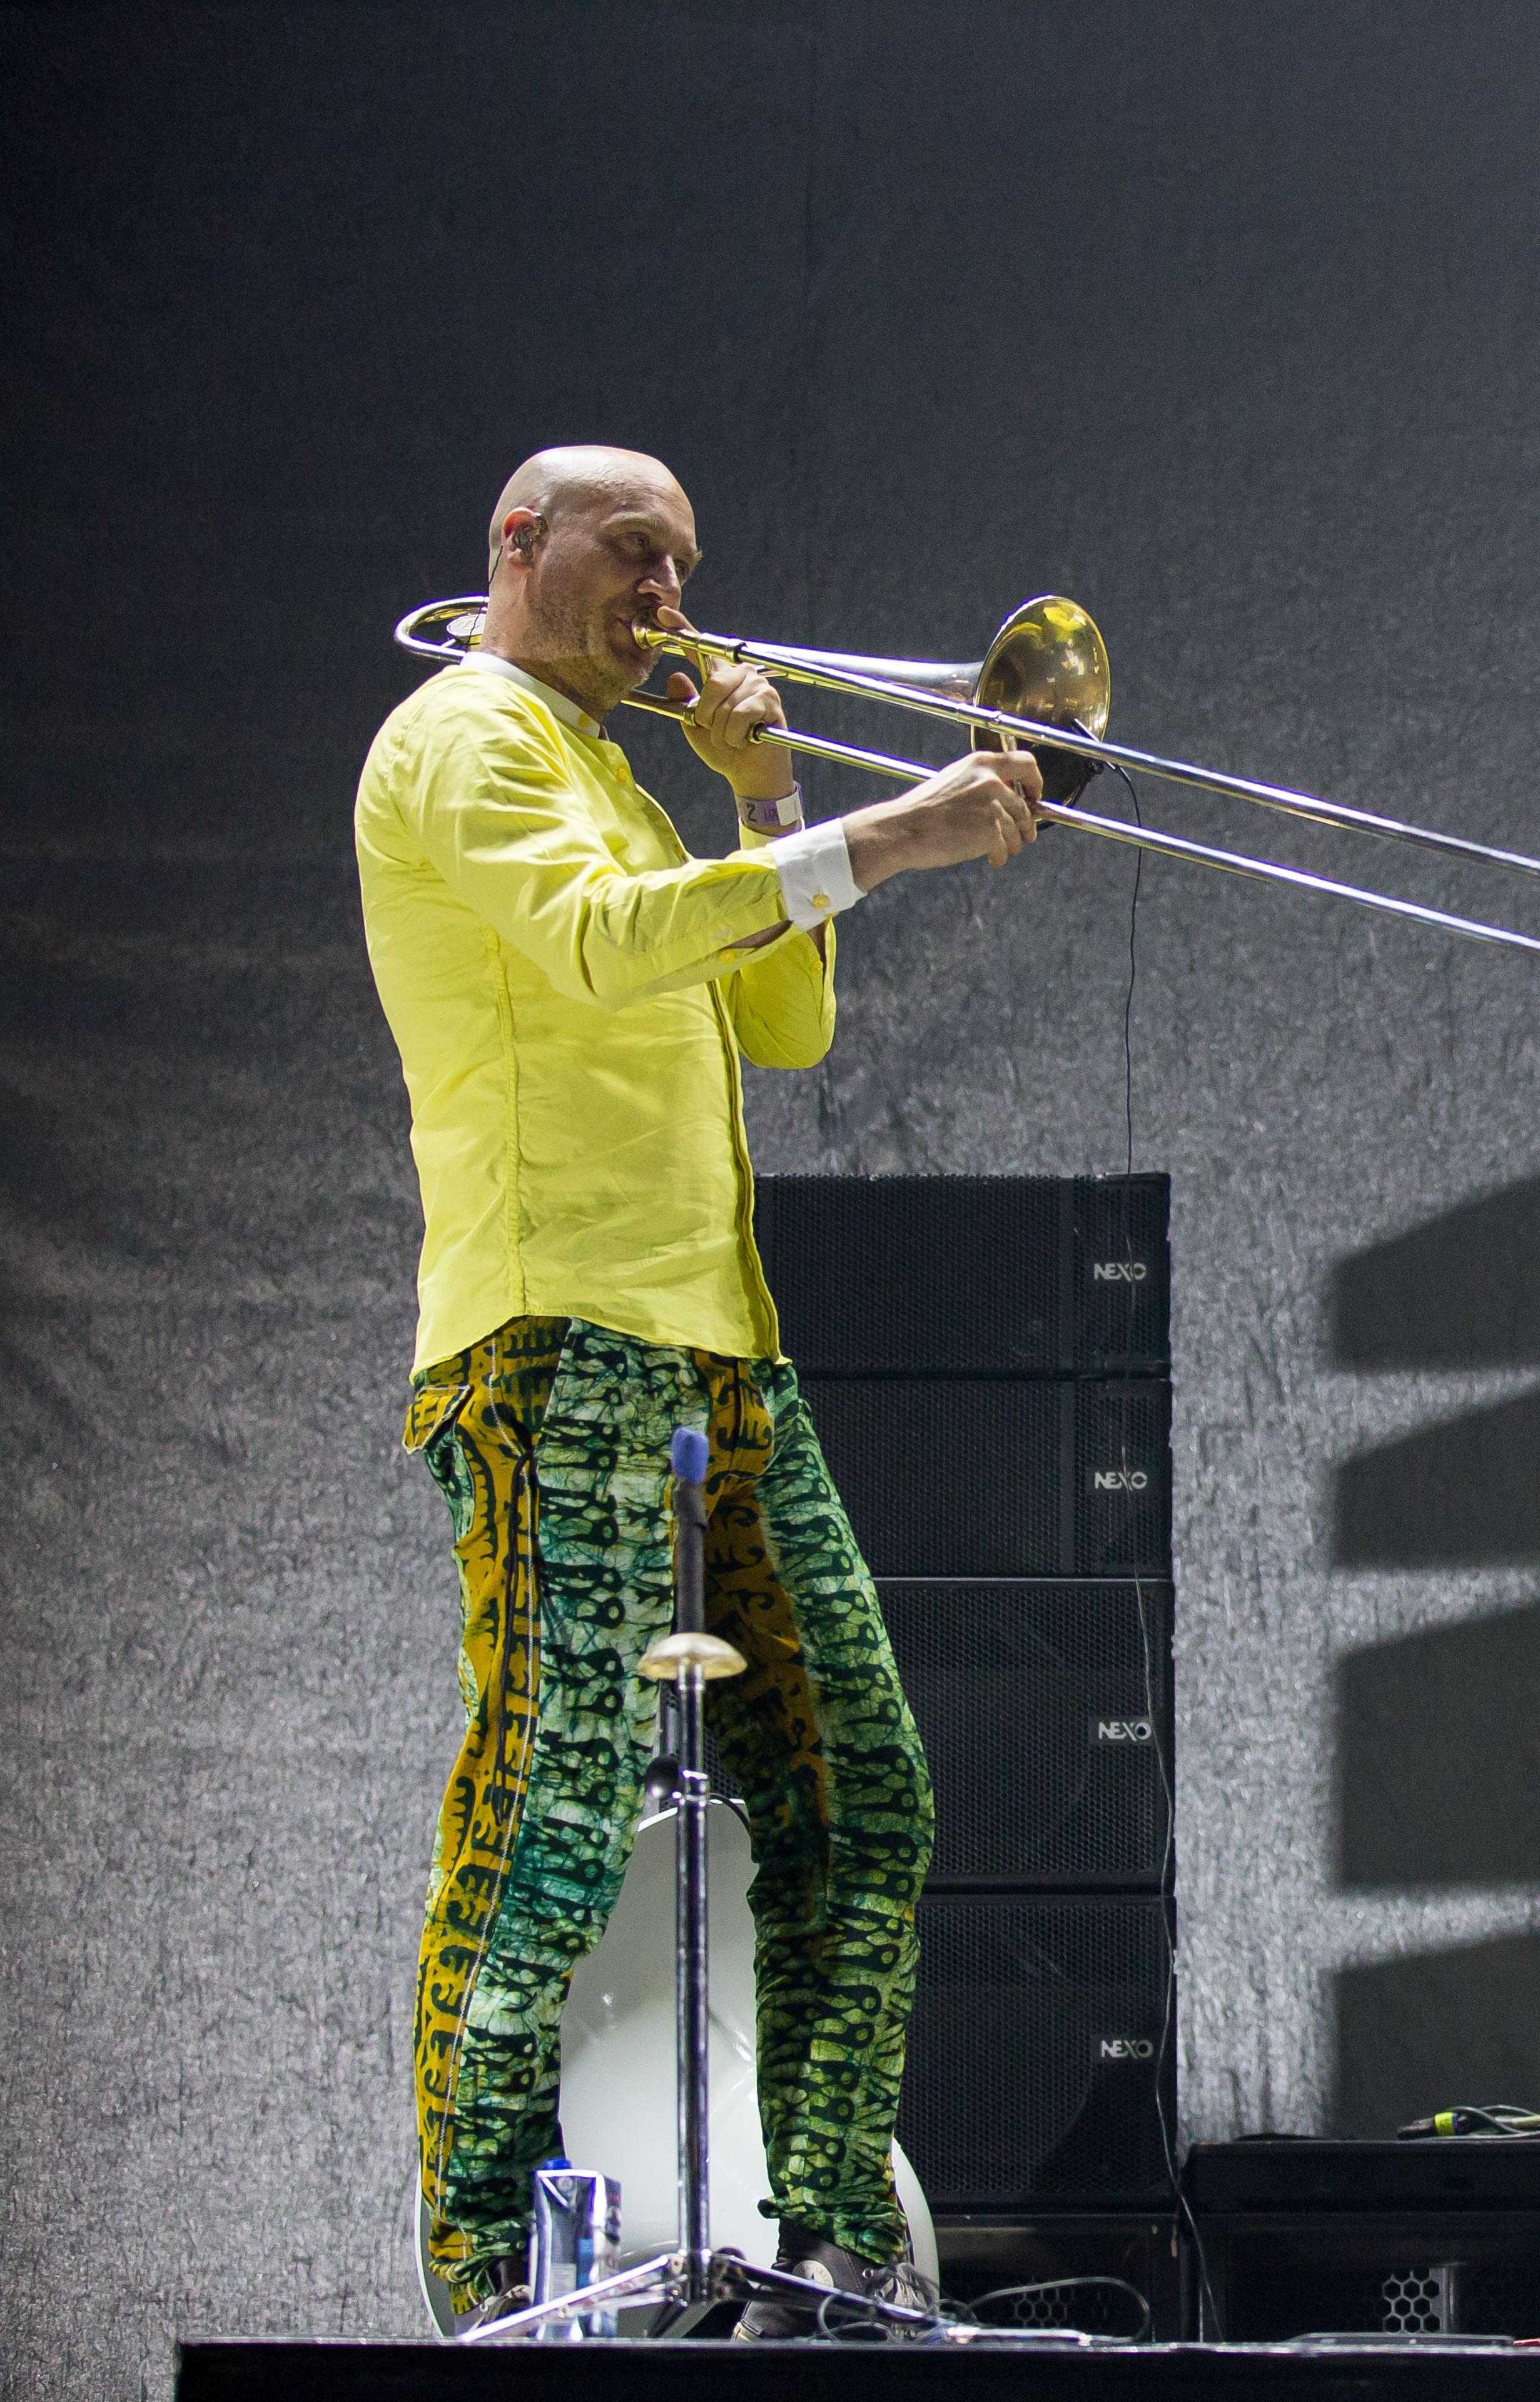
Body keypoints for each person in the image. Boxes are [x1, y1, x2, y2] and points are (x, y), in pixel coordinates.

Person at [357, 445, 1046, 2337]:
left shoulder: (634, 785)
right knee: (552, 1806)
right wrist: (890, 840)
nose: (667, 592)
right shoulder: (466, 734)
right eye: (630, 553)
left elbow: (788, 1022)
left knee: (865, 1794)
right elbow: (592, 949)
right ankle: (486, 2277)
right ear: (516, 544)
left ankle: (822, 2238)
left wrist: (767, 789)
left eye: (685, 559)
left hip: (718, 1345)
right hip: (553, 1333)